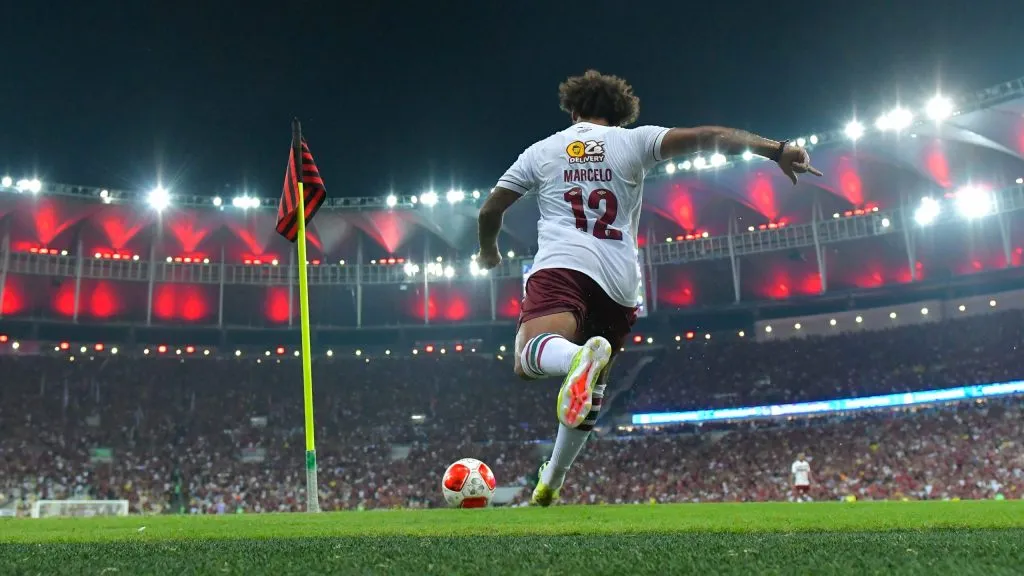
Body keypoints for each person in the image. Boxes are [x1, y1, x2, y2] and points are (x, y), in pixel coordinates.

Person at [475, 70, 822, 506]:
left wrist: (488, 252)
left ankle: (575, 359)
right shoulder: (635, 141)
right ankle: (552, 481)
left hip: (564, 264)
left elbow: (490, 211)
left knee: (530, 356)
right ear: (620, 112)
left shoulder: (541, 151)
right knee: (593, 385)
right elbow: (708, 136)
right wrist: (777, 150)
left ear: (573, 108)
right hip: (620, 282)